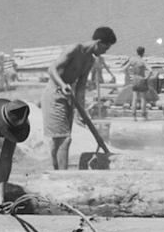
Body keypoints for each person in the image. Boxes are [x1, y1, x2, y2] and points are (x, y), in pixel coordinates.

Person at [42, 26, 117, 169]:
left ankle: (56, 171)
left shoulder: (90, 61)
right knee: (64, 139)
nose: (103, 53)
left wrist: (82, 110)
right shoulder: (74, 49)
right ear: (98, 42)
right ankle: (62, 176)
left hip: (68, 97)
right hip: (54, 94)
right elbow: (52, 69)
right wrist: (62, 84)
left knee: (60, 139)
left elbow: (81, 87)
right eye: (104, 48)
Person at [126, 46, 154, 120]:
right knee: (143, 99)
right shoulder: (142, 61)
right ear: (143, 53)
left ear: (137, 52)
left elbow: (124, 68)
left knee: (134, 98)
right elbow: (151, 70)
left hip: (134, 79)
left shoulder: (132, 60)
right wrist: (147, 78)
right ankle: (143, 117)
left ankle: (134, 117)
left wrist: (129, 77)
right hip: (142, 79)